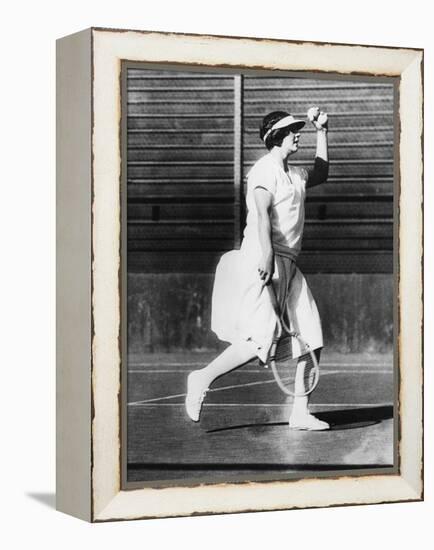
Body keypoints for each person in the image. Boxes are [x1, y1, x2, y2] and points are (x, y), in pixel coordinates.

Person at [185, 108, 330, 430]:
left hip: (289, 261)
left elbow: (321, 174)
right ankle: (202, 378)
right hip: (261, 258)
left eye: (299, 129)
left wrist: (323, 131)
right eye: (293, 130)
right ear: (277, 136)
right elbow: (263, 216)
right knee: (260, 339)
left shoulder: (295, 175)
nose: (298, 134)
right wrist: (266, 257)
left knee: (311, 336)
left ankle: (300, 413)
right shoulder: (264, 171)